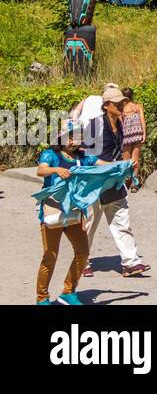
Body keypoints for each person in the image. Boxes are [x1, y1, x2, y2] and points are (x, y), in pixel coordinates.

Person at [82, 84, 149, 277]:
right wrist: (106, 165)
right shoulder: (95, 125)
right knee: (89, 223)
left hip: (113, 180)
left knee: (121, 220)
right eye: (118, 103)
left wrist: (125, 165)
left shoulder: (120, 124)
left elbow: (120, 151)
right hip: (95, 182)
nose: (122, 105)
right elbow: (85, 155)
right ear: (107, 105)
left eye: (123, 102)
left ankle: (131, 262)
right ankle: (82, 260)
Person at [35, 125, 95, 305]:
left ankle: (68, 291)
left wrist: (123, 165)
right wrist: (56, 170)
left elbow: (101, 164)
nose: (74, 141)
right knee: (50, 256)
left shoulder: (81, 157)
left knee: (83, 252)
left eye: (77, 137)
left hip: (74, 213)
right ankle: (42, 298)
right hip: (53, 212)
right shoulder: (50, 155)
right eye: (70, 137)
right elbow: (41, 170)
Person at [120, 88, 146, 183]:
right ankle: (134, 183)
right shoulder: (138, 106)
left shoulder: (122, 109)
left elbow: (121, 123)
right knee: (135, 159)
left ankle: (124, 181)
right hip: (137, 134)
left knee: (125, 159)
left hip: (126, 135)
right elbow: (142, 121)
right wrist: (144, 134)